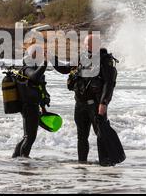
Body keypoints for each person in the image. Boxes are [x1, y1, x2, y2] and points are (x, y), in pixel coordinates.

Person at [52, 34, 118, 166]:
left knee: (101, 134)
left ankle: (105, 163)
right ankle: (82, 163)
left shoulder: (105, 60)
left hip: (96, 105)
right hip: (80, 104)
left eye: (90, 43)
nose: (87, 45)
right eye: (86, 43)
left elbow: (108, 84)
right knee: (81, 137)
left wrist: (104, 103)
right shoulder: (81, 58)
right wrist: (51, 58)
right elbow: (65, 69)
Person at [13, 45, 50, 158]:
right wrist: (45, 62)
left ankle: (17, 158)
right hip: (28, 106)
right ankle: (24, 160)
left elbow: (40, 88)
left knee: (27, 136)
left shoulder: (34, 68)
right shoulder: (27, 69)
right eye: (38, 54)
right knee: (30, 137)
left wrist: (43, 106)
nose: (40, 56)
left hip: (33, 106)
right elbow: (34, 77)